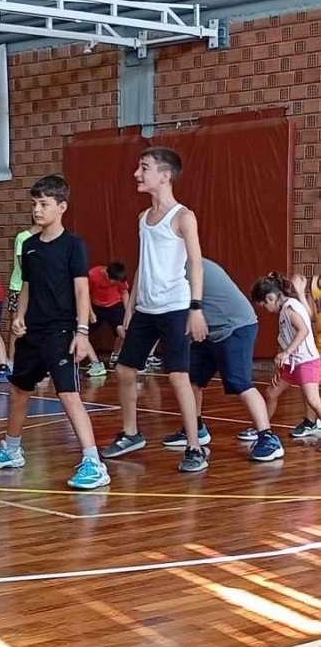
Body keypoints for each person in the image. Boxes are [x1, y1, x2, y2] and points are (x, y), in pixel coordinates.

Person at [0, 175, 109, 489]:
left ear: (61, 207)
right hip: (32, 332)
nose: (37, 209)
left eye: (44, 204)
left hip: (61, 331)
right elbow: (27, 286)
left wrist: (82, 332)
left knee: (68, 394)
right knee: (18, 389)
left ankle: (94, 462)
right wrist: (19, 316)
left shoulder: (73, 245)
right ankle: (12, 449)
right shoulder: (29, 246)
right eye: (34, 203)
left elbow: (81, 291)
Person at [102, 148, 210, 473]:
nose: (137, 173)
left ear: (165, 176)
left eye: (144, 168)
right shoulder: (143, 218)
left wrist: (196, 308)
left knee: (178, 376)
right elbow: (142, 266)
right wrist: (131, 307)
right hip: (146, 310)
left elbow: (196, 264)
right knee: (124, 371)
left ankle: (194, 447)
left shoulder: (183, 217)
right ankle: (131, 433)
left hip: (175, 308)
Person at [161, 259, 283, 461]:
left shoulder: (187, 268)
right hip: (208, 329)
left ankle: (268, 439)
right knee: (190, 380)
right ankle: (195, 428)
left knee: (240, 383)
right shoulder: (172, 266)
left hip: (235, 327)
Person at [251, 273, 321, 439]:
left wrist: (287, 352)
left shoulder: (290, 309)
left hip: (306, 361)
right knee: (271, 393)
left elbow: (303, 330)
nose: (265, 309)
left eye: (264, 305)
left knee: (313, 400)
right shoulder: (286, 309)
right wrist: (282, 363)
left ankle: (312, 423)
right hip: (292, 364)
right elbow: (286, 337)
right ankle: (261, 429)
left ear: (270, 297)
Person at [6, 218, 42, 381]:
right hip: (19, 287)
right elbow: (24, 265)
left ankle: (37, 365)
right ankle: (11, 362)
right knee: (17, 325)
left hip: (38, 288)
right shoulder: (23, 237)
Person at [86, 262, 130, 377]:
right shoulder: (92, 275)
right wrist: (90, 312)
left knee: (122, 331)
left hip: (115, 305)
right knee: (83, 334)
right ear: (106, 275)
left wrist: (127, 312)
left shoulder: (119, 276)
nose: (117, 283)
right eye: (115, 282)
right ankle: (95, 363)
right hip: (96, 306)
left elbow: (124, 292)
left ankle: (116, 355)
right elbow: (86, 294)